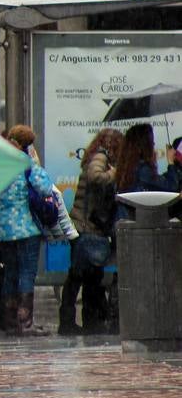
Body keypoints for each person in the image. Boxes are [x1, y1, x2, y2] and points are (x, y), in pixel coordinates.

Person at [0, 125, 55, 337]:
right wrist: (35, 162)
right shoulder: (26, 164)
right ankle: (25, 322)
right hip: (26, 229)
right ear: (28, 145)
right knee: (26, 273)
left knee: (10, 273)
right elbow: (46, 188)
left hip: (4, 231)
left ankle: (10, 322)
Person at [62, 127, 121, 335]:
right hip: (86, 226)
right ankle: (74, 321)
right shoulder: (101, 157)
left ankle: (83, 320)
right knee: (81, 275)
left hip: (84, 224)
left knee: (85, 276)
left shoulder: (97, 156)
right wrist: (115, 172)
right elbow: (96, 177)